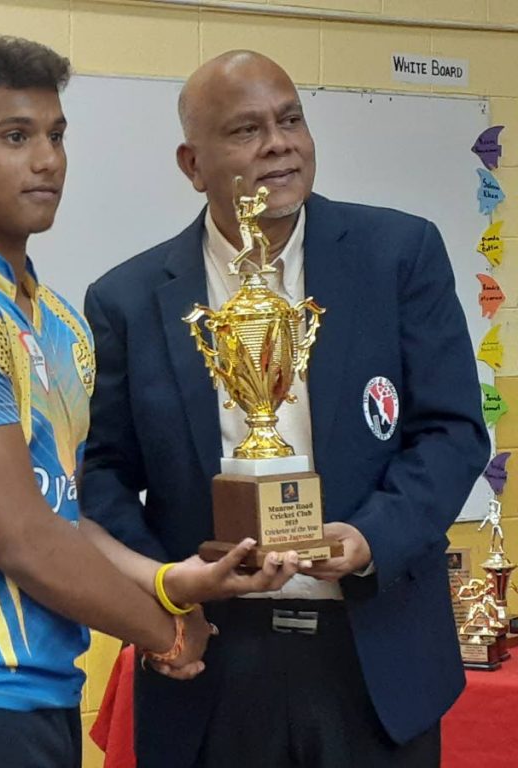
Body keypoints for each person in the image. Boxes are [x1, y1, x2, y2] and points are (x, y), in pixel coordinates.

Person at [0, 37, 298, 768]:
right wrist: (163, 630)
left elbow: (61, 517)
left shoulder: (60, 320)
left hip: (25, 697)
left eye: (56, 135)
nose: (47, 159)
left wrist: (173, 583)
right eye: (15, 137)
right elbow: (25, 541)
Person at [81, 49, 489, 768]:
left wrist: (371, 538)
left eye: (291, 120)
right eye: (246, 130)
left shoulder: (398, 255)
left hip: (375, 662)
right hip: (215, 664)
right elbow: (105, 476)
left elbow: (452, 431)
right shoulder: (128, 298)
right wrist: (169, 594)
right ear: (192, 164)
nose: (279, 144)